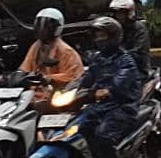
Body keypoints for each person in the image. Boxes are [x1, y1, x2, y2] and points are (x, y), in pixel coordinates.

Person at [32, 16, 142, 158]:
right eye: (96, 36)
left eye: (102, 35)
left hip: (121, 107)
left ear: (114, 36)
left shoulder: (125, 61)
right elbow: (86, 78)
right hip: (100, 106)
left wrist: (104, 92)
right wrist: (70, 90)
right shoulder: (98, 58)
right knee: (78, 129)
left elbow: (118, 85)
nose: (98, 39)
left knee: (103, 136)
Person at [19, 8, 84, 103]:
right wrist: (15, 76)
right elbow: (26, 67)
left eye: (46, 27)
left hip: (60, 93)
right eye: (40, 26)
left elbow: (73, 76)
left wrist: (50, 78)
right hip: (36, 92)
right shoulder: (36, 45)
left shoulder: (65, 50)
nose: (42, 30)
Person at [108, 0, 151, 76]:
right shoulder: (113, 29)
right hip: (115, 69)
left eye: (121, 13)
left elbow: (137, 52)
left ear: (129, 13)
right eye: (116, 13)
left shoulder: (139, 28)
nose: (118, 16)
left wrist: (116, 57)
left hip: (137, 69)